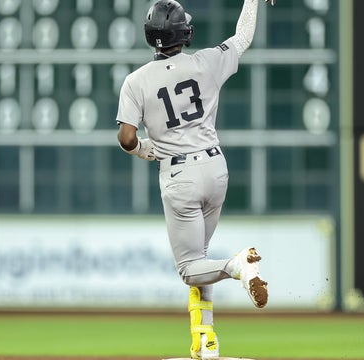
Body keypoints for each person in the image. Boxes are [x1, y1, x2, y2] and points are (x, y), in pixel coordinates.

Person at [115, 0, 273, 358]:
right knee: (201, 262)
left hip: (179, 175)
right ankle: (206, 341)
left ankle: (238, 266)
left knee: (189, 269)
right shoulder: (205, 61)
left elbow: (126, 138)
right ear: (184, 33)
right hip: (216, 168)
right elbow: (243, 36)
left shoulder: (135, 82)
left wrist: (143, 149)